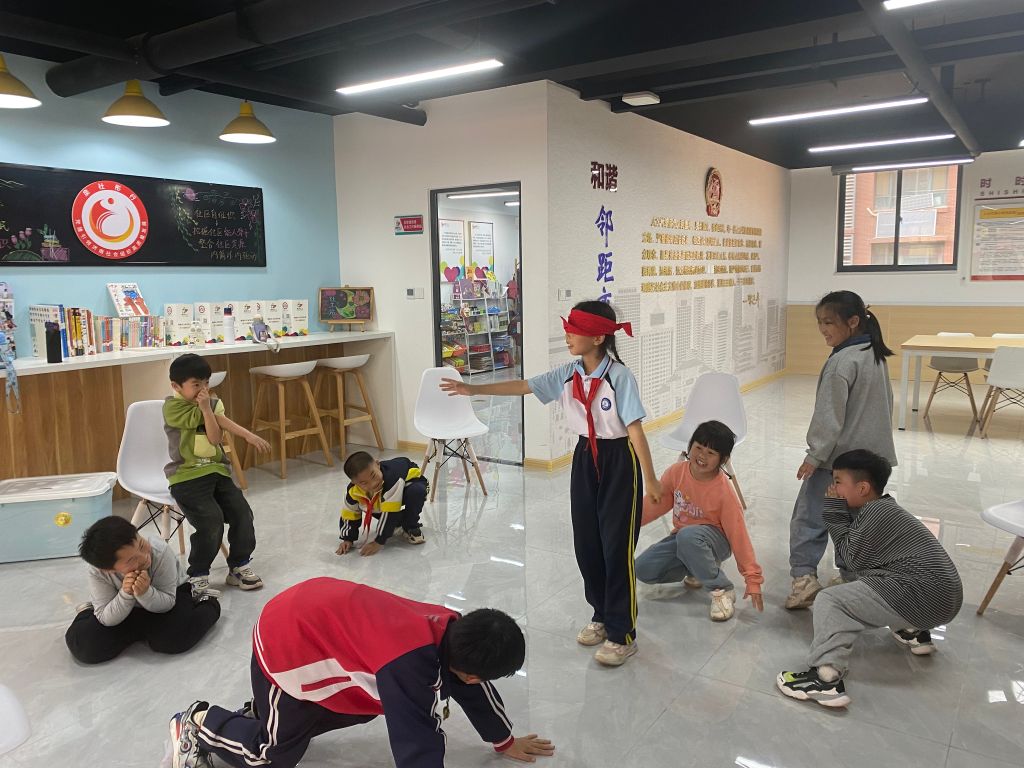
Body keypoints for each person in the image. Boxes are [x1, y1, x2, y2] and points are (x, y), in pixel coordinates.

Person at [441, 300, 661, 667]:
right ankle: (601, 614)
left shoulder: (619, 377)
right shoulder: (567, 373)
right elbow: (524, 385)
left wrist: (650, 479)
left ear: (598, 337)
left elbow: (635, 429)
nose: (568, 336)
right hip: (584, 457)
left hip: (619, 460)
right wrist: (472, 389)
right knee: (586, 544)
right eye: (568, 329)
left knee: (616, 549)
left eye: (575, 331)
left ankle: (623, 634)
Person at [168, 578, 555, 768]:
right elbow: (417, 742)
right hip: (286, 644)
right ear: (472, 674)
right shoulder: (409, 668)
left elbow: (470, 686)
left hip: (312, 617)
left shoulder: (454, 628)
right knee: (271, 757)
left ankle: (265, 714)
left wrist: (503, 739)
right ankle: (198, 722)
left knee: (369, 702)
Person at [777, 450, 963, 708]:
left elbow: (849, 558)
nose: (832, 488)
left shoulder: (874, 514)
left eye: (838, 481)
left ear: (863, 488)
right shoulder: (886, 510)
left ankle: (825, 678)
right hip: (944, 600)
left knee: (831, 600)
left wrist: (833, 512)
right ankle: (912, 630)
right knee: (872, 578)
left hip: (920, 596)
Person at [786, 290, 898, 610]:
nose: (823, 329)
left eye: (829, 322)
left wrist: (815, 456)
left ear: (852, 322)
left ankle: (804, 580)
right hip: (870, 463)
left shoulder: (841, 362)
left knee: (809, 517)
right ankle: (853, 578)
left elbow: (829, 417)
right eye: (819, 322)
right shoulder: (873, 353)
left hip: (837, 462)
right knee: (856, 521)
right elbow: (887, 405)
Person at [164, 353, 271, 596]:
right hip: (186, 477)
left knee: (242, 513)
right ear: (176, 386)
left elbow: (215, 438)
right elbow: (214, 424)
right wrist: (206, 408)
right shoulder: (172, 407)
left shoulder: (212, 404)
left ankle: (239, 566)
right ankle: (198, 575)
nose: (203, 390)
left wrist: (247, 435)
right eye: (196, 385)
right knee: (211, 521)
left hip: (216, 471)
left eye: (206, 383)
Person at [635, 420, 764, 621]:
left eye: (711, 453)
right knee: (642, 569)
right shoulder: (676, 472)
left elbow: (739, 536)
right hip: (684, 539)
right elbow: (655, 503)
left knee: (689, 536)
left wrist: (752, 578)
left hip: (715, 541)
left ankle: (722, 589)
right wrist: (626, 523)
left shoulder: (724, 492)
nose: (702, 455)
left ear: (723, 459)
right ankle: (698, 567)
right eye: (698, 448)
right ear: (690, 446)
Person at [65, 516, 220, 664]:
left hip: (168, 596)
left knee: (176, 639)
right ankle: (88, 611)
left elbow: (167, 602)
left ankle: (208, 602)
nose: (144, 557)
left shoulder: (159, 551)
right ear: (109, 570)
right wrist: (126, 594)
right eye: (131, 560)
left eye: (141, 544)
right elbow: (106, 618)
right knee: (84, 645)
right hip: (123, 607)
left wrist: (145, 592)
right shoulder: (97, 572)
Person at [336, 450, 429, 556]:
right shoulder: (353, 491)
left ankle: (411, 526)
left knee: (416, 492)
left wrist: (379, 541)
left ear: (377, 464)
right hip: (388, 493)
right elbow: (349, 514)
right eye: (364, 483)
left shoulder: (392, 478)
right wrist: (348, 539)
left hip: (411, 483)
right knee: (369, 503)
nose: (373, 484)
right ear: (354, 482)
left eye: (373, 476)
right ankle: (399, 522)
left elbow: (390, 512)